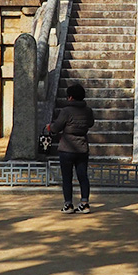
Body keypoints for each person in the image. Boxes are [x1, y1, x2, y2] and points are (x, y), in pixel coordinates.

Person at [48, 83, 94, 213]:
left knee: (67, 178)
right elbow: (90, 123)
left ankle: (68, 204)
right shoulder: (88, 110)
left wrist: (50, 127)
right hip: (82, 147)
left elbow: (56, 128)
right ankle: (84, 203)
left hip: (66, 148)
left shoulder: (66, 111)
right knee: (83, 176)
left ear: (71, 97)